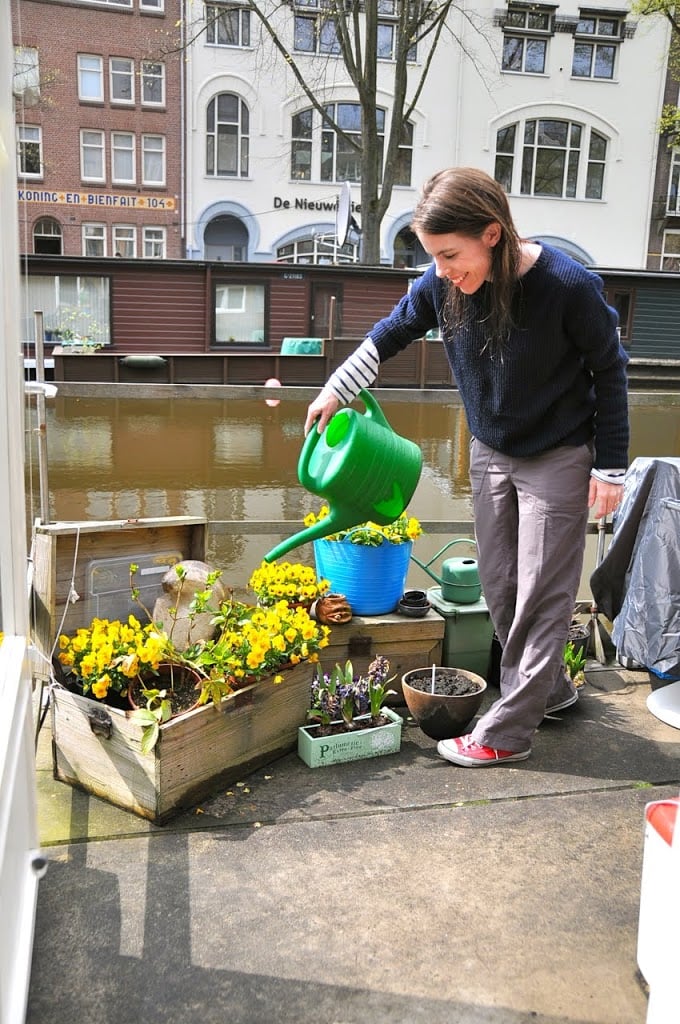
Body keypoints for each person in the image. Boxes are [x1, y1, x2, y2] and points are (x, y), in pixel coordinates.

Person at [304, 166, 629, 767]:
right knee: (501, 586)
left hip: (557, 453)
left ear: (493, 234)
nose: (443, 269)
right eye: (434, 257)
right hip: (491, 449)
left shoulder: (567, 285)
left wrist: (610, 469)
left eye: (451, 255)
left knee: (542, 594)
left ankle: (507, 733)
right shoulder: (442, 283)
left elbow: (610, 370)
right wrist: (336, 388)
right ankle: (551, 689)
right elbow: (392, 332)